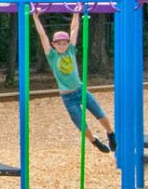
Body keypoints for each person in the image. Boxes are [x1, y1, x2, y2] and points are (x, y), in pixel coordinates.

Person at [31, 10, 115, 152]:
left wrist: (76, 14)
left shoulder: (70, 50)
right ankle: (95, 141)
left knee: (100, 115)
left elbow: (74, 29)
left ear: (68, 43)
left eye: (64, 43)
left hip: (80, 90)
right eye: (59, 43)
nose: (62, 45)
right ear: (53, 44)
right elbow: (42, 35)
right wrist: (35, 18)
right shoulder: (52, 56)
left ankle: (110, 134)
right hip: (67, 97)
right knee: (82, 125)